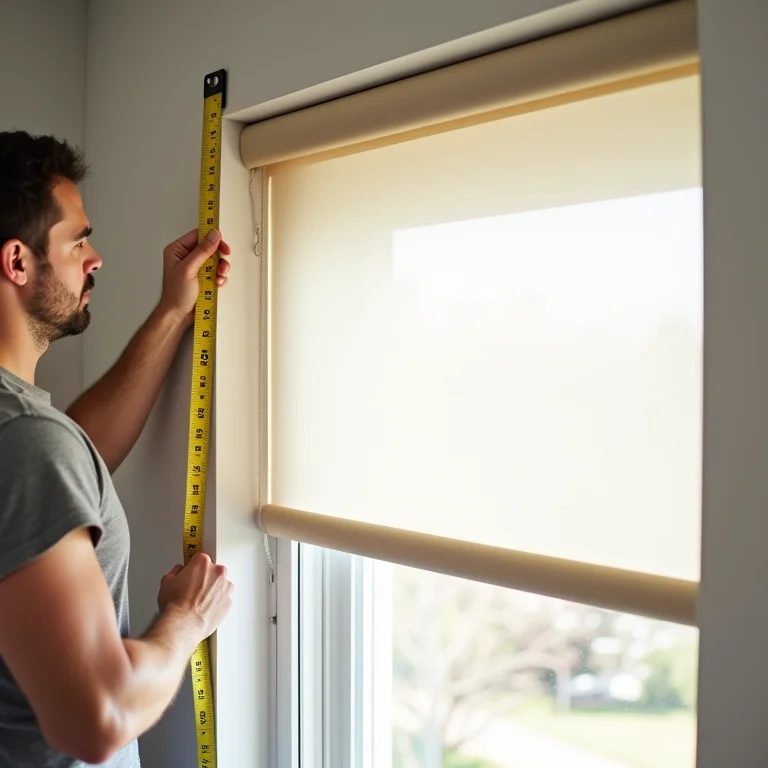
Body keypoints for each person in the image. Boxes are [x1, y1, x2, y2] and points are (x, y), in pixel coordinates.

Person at [0, 130, 234, 767]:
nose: (95, 259)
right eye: (78, 241)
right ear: (17, 262)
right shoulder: (25, 440)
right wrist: (186, 619)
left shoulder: (23, 436)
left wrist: (173, 312)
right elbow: (98, 719)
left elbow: (75, 461)